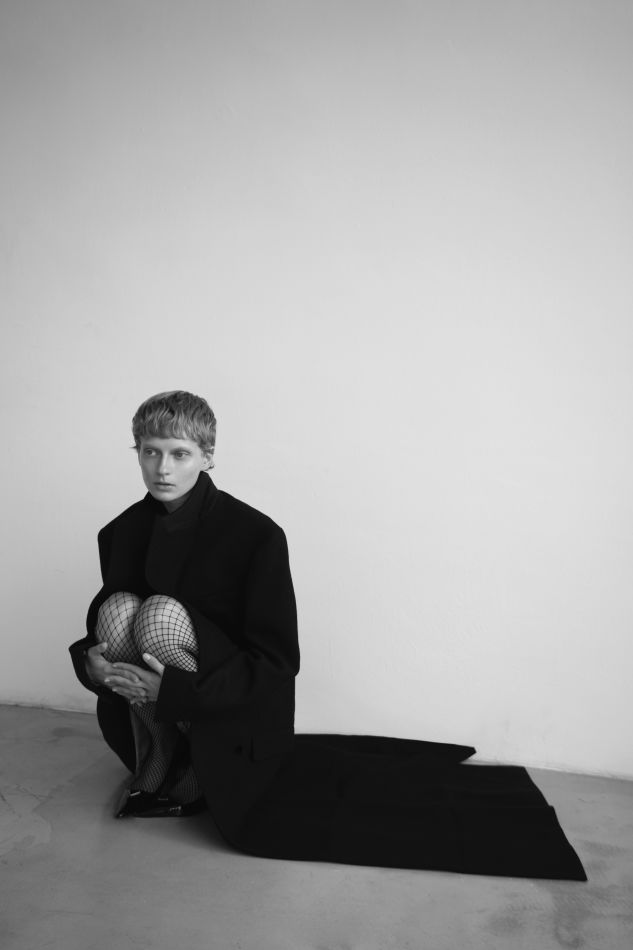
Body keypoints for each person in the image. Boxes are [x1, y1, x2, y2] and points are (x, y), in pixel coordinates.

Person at [70, 391, 586, 880]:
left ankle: (196, 769)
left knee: (159, 613)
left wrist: (177, 692)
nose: (162, 468)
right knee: (118, 609)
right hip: (157, 699)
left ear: (207, 457)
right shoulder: (121, 531)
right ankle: (159, 754)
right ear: (137, 453)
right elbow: (105, 627)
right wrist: (90, 663)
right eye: (151, 452)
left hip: (229, 709)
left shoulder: (255, 535)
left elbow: (277, 660)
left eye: (179, 454)